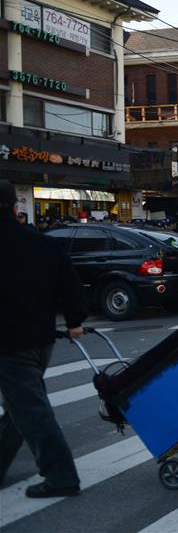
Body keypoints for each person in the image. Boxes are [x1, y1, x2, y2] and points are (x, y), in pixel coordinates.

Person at [0, 180, 87, 498]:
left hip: (8, 342)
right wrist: (75, 320)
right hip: (42, 340)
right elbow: (72, 286)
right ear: (15, 208)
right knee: (20, 404)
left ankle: (61, 475)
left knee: (30, 408)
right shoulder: (44, 244)